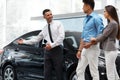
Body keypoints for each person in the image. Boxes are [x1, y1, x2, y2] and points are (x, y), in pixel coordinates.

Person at [17, 9, 65, 80]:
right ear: (44, 17)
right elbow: (36, 39)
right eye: (48, 15)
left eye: (51, 14)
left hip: (57, 49)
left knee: (59, 72)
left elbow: (61, 36)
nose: (50, 16)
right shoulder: (44, 29)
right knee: (47, 73)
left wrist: (52, 45)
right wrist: (24, 41)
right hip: (48, 52)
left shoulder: (58, 24)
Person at [76, 0, 104, 80]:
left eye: (83, 5)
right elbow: (83, 35)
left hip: (93, 48)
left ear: (88, 6)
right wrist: (80, 50)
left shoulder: (97, 18)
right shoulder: (85, 19)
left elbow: (101, 34)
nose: (82, 7)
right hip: (84, 48)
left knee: (93, 72)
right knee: (79, 70)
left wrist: (91, 43)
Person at [91, 5, 120, 80]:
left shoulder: (112, 24)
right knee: (114, 73)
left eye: (104, 11)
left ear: (109, 12)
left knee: (110, 74)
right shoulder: (112, 23)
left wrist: (95, 39)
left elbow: (104, 36)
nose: (103, 13)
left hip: (110, 51)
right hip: (110, 50)